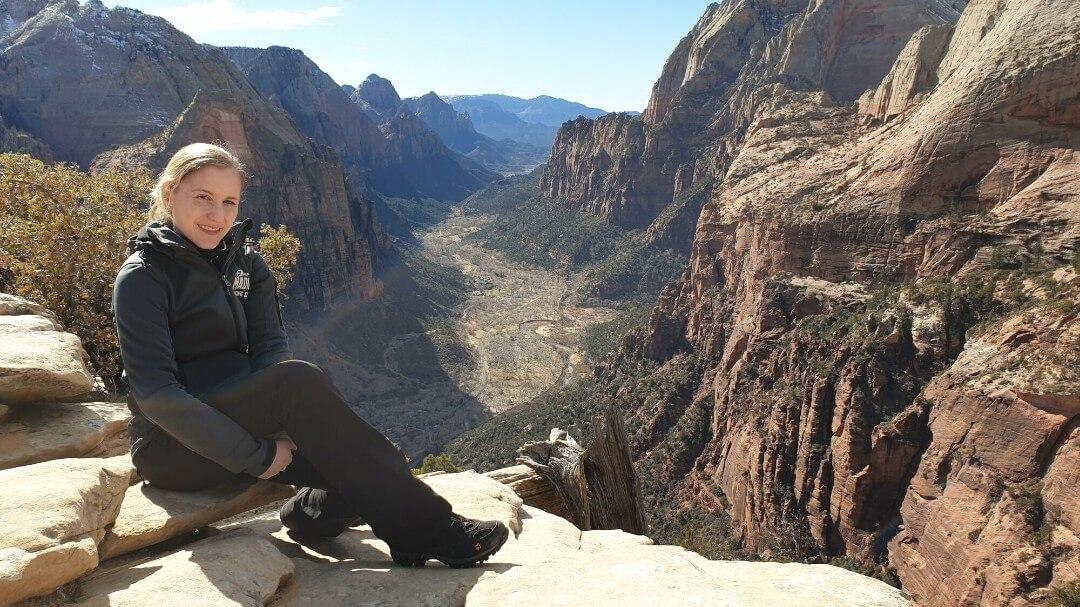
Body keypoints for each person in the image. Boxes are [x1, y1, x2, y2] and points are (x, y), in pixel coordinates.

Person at [110, 141, 508, 568]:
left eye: (229, 201)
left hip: (240, 418)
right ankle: (432, 533)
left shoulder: (248, 265)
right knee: (308, 394)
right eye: (202, 198)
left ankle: (309, 514)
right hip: (171, 449)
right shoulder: (143, 277)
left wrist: (285, 426)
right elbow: (156, 395)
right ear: (170, 195)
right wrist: (258, 454)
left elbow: (269, 352)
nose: (218, 216)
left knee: (366, 455)